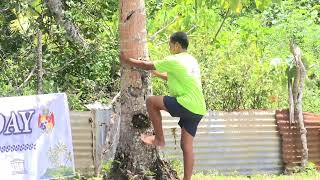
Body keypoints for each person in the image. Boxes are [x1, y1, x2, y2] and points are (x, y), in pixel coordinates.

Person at [120, 31, 206, 180]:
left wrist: (127, 60)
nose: (169, 48)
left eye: (170, 45)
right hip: (198, 108)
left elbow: (146, 65)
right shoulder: (191, 60)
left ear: (177, 45)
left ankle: (159, 139)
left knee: (151, 102)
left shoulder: (174, 59)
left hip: (186, 103)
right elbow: (172, 76)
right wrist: (157, 74)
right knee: (186, 146)